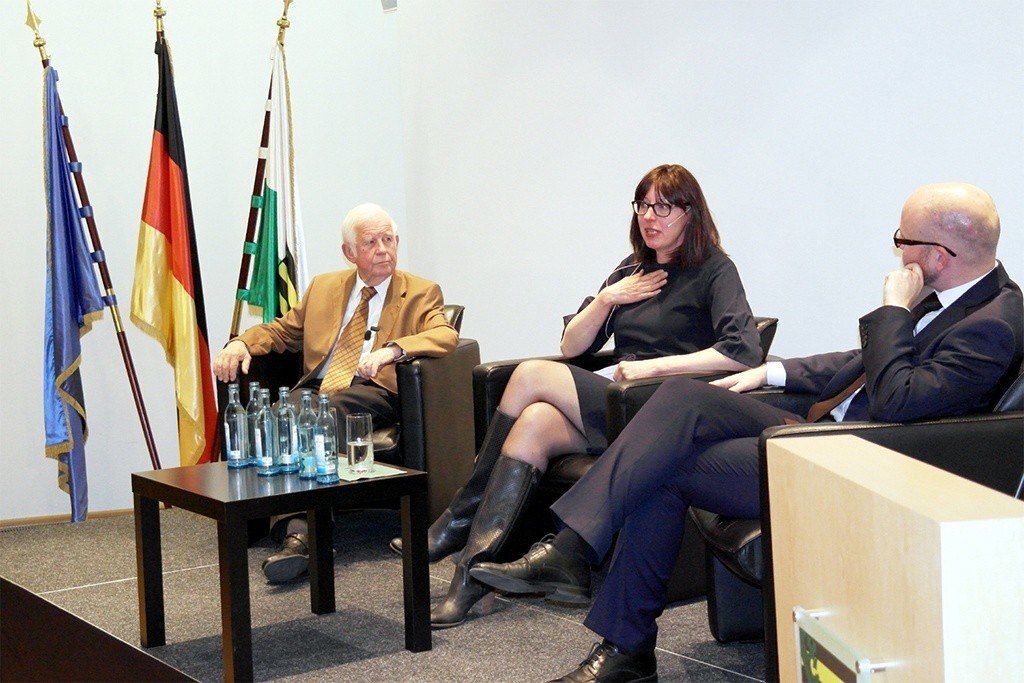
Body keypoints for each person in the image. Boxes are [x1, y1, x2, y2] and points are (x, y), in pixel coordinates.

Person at [470, 182, 1022, 682]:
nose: (898, 252)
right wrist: (771, 370)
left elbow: (902, 398)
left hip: (861, 459)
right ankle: (583, 573)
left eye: (903, 239)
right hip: (819, 430)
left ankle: (615, 633)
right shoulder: (952, 298)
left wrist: (893, 310)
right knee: (682, 400)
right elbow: (863, 360)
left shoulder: (993, 324)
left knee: (659, 468)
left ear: (937, 254)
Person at [404, 164, 765, 629]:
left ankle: (458, 516)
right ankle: (471, 580)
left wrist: (650, 367)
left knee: (532, 375)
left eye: (663, 207)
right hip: (617, 403)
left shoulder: (714, 269)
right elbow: (572, 346)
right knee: (533, 421)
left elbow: (742, 351)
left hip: (662, 408)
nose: (649, 217)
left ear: (691, 213)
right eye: (642, 206)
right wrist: (608, 299)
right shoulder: (630, 269)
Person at [213, 203, 459, 583]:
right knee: (282, 416)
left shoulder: (421, 292)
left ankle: (298, 536)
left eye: (389, 239)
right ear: (349, 253)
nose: (383, 249)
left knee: (320, 417)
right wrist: (242, 344)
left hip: (373, 388)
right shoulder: (325, 287)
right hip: (319, 385)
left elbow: (446, 335)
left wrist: (392, 350)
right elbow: (283, 331)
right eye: (371, 242)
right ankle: (302, 530)